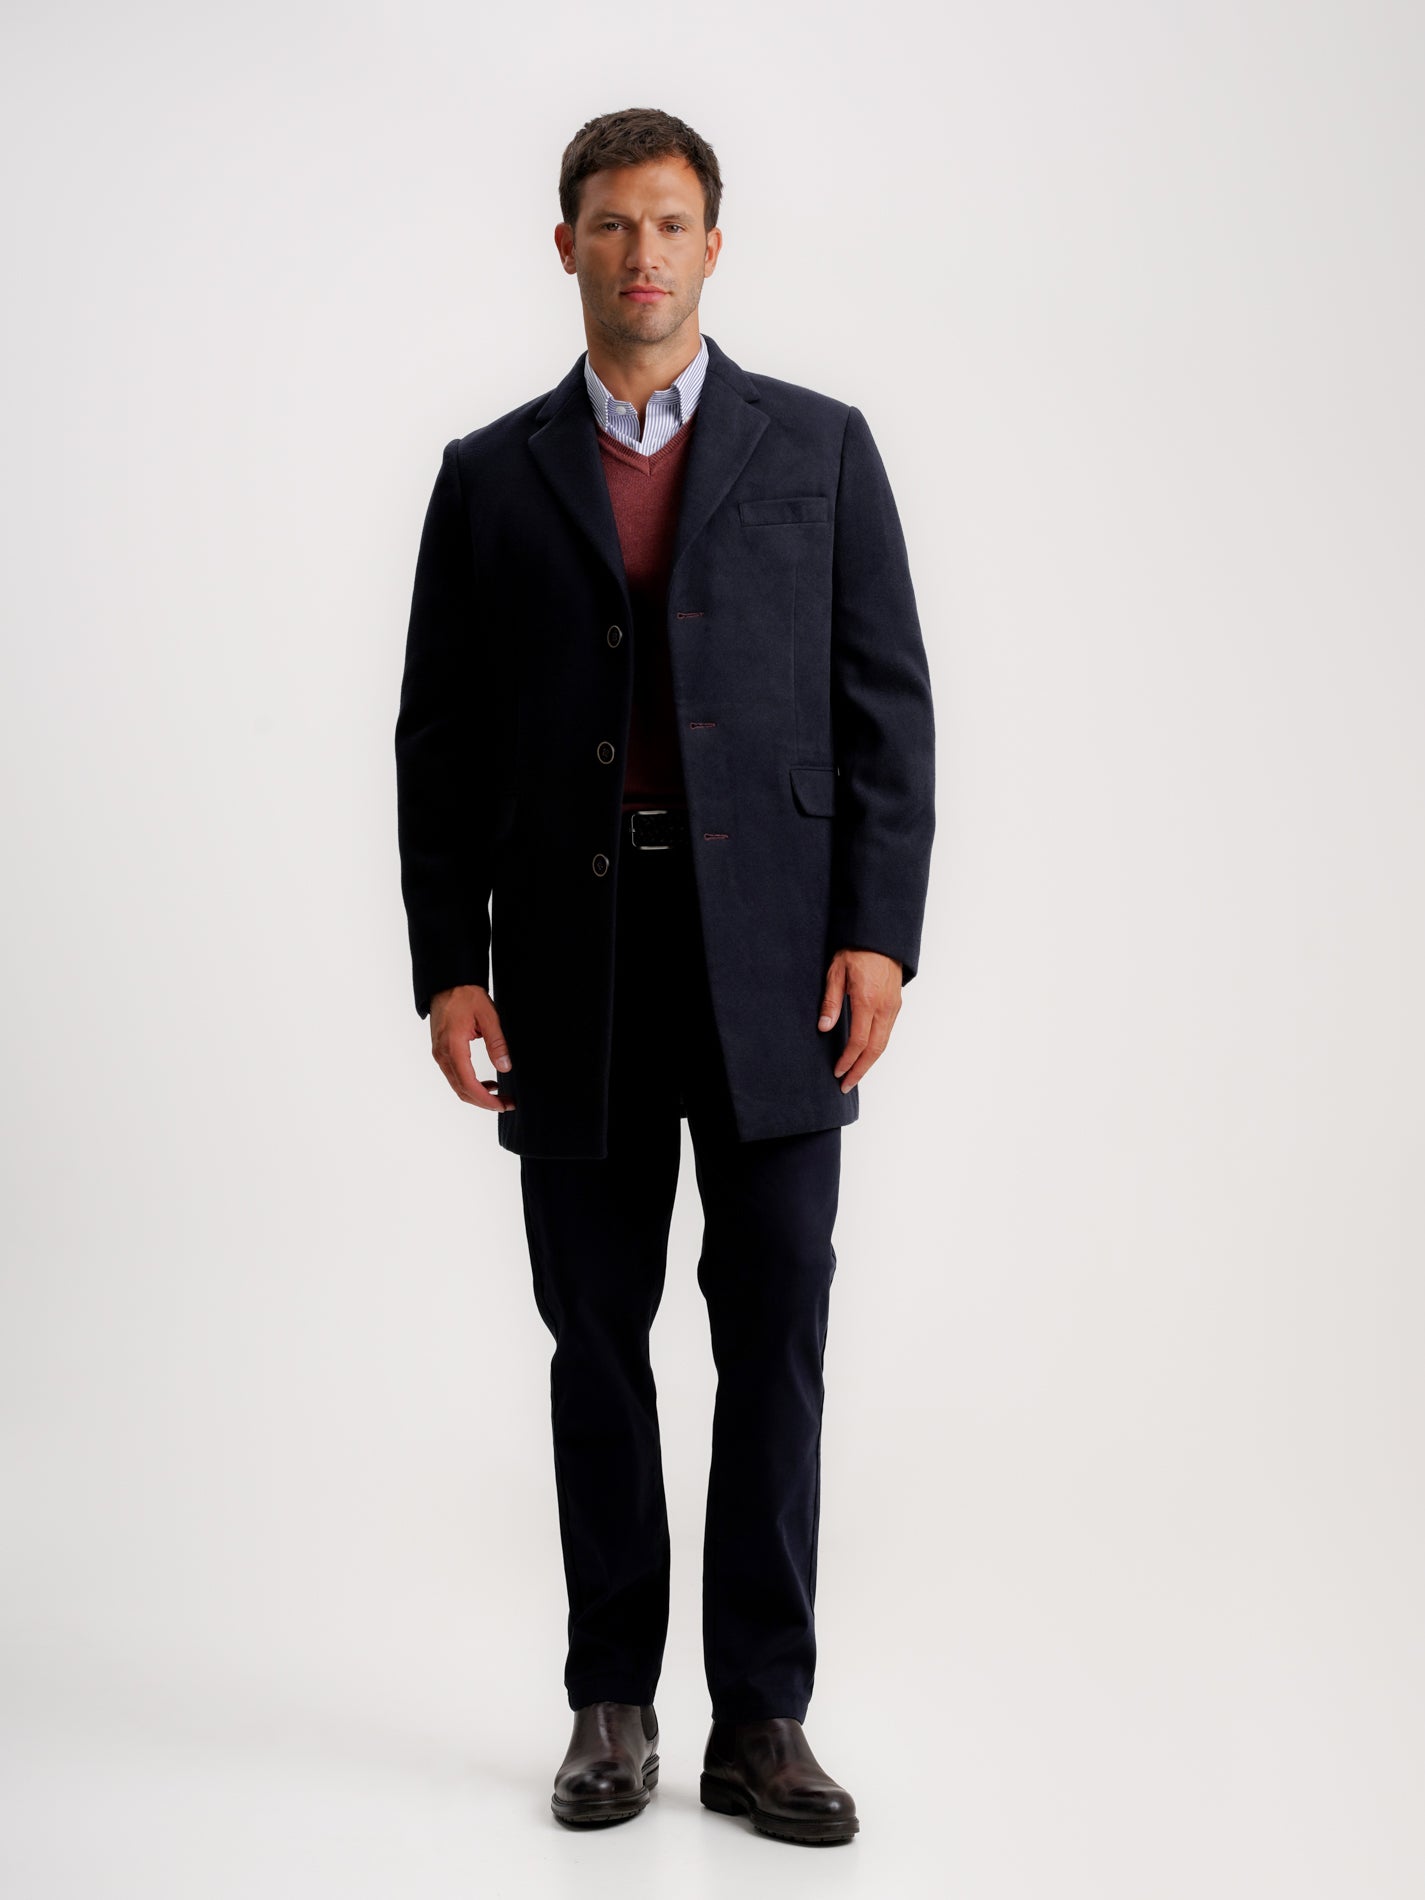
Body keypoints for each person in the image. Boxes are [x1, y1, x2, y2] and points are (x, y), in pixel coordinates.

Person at [394, 105, 935, 1846]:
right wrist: (449, 966)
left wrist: (879, 930)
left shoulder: (820, 449)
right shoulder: (490, 476)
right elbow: (438, 742)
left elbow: (884, 709)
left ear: (714, 245)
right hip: (574, 963)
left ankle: (761, 1717)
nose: (643, 254)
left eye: (672, 223)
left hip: (778, 965)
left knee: (776, 1326)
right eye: (613, 225)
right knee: (595, 1336)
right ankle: (609, 1702)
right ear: (566, 246)